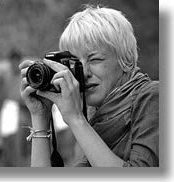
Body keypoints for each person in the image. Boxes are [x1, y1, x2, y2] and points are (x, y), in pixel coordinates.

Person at [19, 5, 158, 167]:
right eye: (76, 63)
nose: (84, 73)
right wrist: (40, 117)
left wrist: (76, 119)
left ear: (126, 61)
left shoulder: (153, 96)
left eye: (95, 59)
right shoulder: (96, 117)